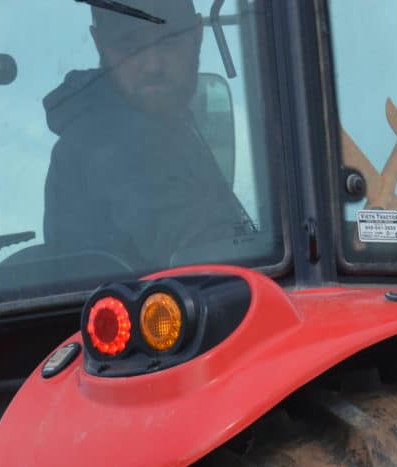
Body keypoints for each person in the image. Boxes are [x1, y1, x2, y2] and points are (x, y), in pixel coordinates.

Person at [42, 1, 256, 269]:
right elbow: (207, 254)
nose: (153, 65)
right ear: (99, 43)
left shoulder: (166, 125)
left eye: (170, 41)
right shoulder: (113, 143)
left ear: (197, 34)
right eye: (130, 46)